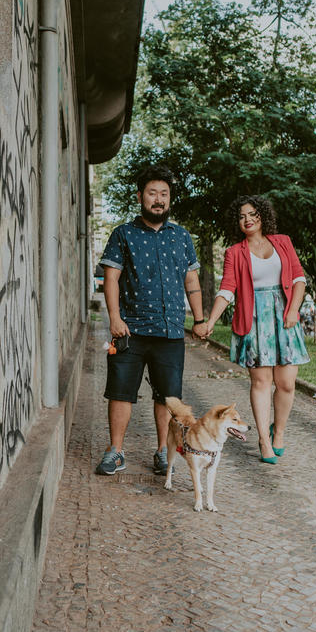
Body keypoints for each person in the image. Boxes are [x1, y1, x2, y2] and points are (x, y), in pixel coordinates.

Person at [96, 165, 205, 476]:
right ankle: (116, 451)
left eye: (164, 194)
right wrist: (114, 317)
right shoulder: (123, 234)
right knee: (120, 391)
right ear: (140, 197)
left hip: (170, 331)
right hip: (130, 329)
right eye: (152, 193)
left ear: (169, 199)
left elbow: (191, 280)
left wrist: (199, 319)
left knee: (168, 397)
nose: (158, 200)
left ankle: (163, 452)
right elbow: (111, 278)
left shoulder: (181, 237)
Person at [193, 195, 309, 464]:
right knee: (261, 382)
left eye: (252, 214)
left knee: (287, 383)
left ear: (262, 216)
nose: (247, 219)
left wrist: (293, 310)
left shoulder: (283, 242)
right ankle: (264, 440)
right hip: (254, 320)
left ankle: (279, 432)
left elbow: (299, 278)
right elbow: (227, 289)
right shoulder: (235, 252)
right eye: (242, 216)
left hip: (284, 316)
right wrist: (211, 321)